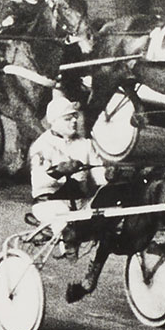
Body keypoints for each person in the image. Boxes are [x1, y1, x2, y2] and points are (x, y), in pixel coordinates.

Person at [29, 92, 103, 255]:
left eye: (75, 117)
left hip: (81, 202)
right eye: (68, 118)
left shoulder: (86, 144)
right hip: (49, 203)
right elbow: (39, 182)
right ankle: (68, 243)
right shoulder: (42, 145)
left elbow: (99, 177)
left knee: (107, 211)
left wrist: (109, 176)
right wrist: (60, 170)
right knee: (63, 218)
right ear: (53, 122)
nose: (74, 121)